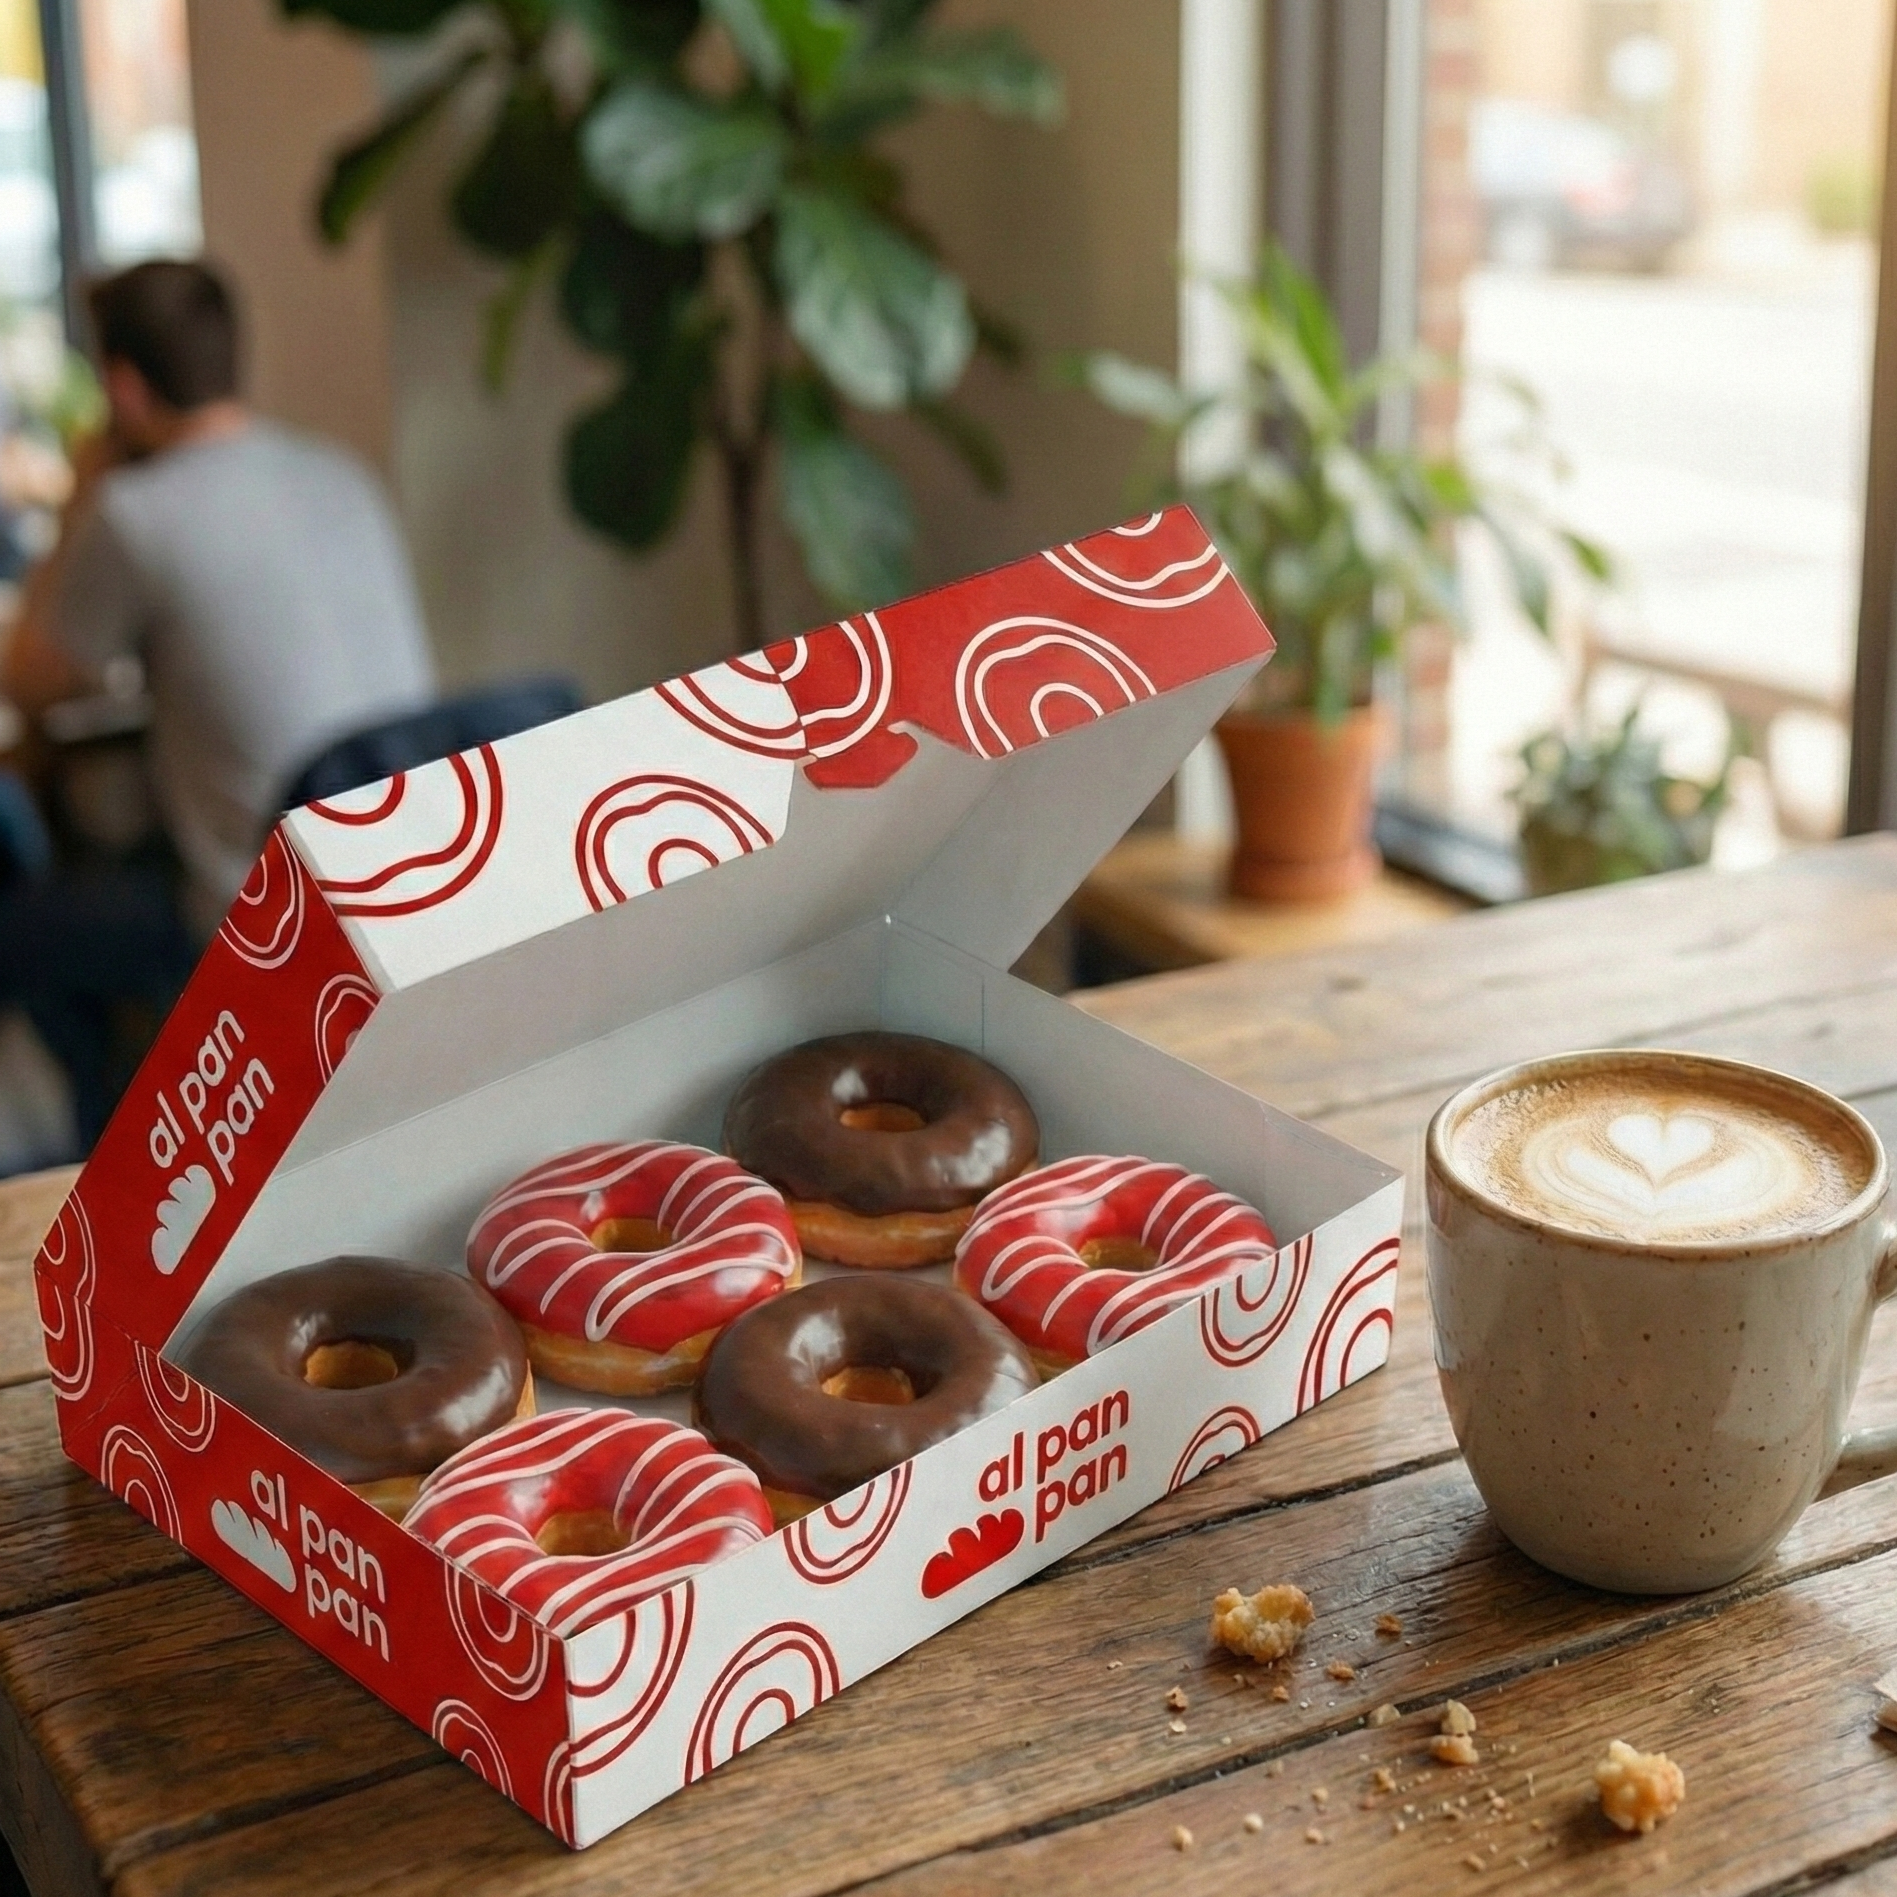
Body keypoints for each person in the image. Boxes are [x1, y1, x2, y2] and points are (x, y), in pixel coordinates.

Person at [0, 258, 436, 1150]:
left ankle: (107, 1154)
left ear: (122, 389)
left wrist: (84, 489)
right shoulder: (339, 473)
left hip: (257, 914)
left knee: (22, 927)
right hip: (410, 873)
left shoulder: (133, 511)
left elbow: (26, 679)